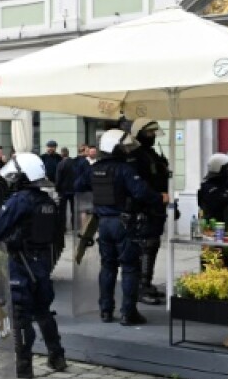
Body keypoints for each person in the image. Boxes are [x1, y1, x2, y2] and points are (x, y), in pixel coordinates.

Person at [0, 153, 66, 379]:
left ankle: (24, 365)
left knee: (21, 314)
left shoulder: (20, 199)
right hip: (41, 262)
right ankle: (57, 355)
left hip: (20, 262)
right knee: (43, 310)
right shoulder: (48, 202)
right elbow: (55, 234)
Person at [76, 129, 157, 325]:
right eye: (123, 146)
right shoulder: (124, 169)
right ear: (115, 148)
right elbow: (142, 193)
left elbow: (78, 184)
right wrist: (157, 198)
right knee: (129, 268)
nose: (126, 150)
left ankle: (105, 310)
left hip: (103, 224)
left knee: (108, 267)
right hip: (123, 222)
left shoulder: (94, 169)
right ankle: (128, 313)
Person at [127, 120, 170, 305]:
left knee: (153, 245)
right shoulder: (135, 156)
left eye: (154, 132)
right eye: (149, 132)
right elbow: (139, 186)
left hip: (157, 206)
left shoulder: (151, 154)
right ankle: (141, 287)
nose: (152, 136)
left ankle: (147, 283)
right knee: (145, 246)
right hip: (144, 207)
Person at [55, 147, 76, 229]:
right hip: (73, 190)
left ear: (61, 154)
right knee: (73, 209)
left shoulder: (60, 164)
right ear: (68, 153)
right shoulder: (74, 163)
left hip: (63, 190)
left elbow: (58, 178)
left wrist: (57, 188)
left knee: (62, 210)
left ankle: (63, 227)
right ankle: (74, 226)